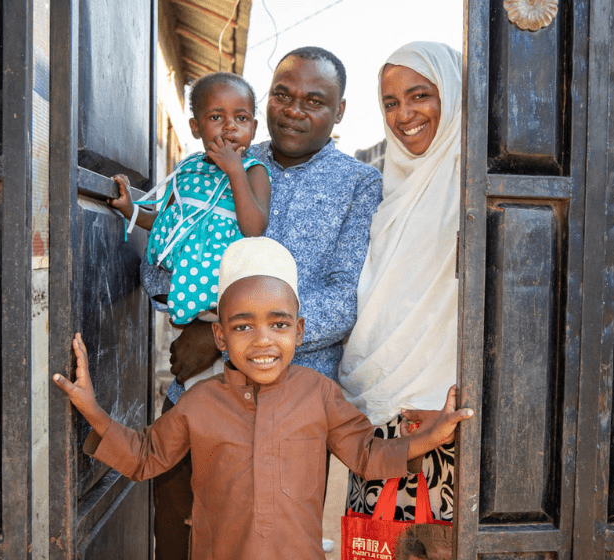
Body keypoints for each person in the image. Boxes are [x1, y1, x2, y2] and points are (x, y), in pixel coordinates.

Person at [52, 237, 473, 560]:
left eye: (278, 324)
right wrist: (91, 408)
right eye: (242, 327)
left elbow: (366, 453)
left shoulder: (320, 394)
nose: (263, 341)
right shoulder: (199, 402)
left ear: (300, 330)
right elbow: (146, 456)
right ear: (220, 335)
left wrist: (431, 437)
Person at [148, 47, 383, 558]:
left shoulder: (359, 184)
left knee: (269, 542)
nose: (295, 109)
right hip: (200, 398)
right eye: (282, 94)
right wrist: (188, 317)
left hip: (296, 407)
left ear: (340, 111)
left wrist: (231, 340)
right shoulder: (216, 160)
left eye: (315, 100)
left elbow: (345, 297)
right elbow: (162, 255)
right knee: (180, 533)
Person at [339, 42, 463, 525]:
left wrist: (446, 394)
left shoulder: (476, 186)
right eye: (390, 103)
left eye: (420, 96)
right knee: (373, 540)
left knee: (432, 543)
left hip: (443, 414)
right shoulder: (378, 187)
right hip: (374, 415)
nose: (404, 114)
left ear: (451, 95)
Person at [110, 72, 270, 325]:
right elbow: (167, 222)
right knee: (193, 360)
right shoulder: (188, 169)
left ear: (254, 127)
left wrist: (235, 171)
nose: (230, 126)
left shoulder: (253, 171)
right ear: (196, 128)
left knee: (232, 356)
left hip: (229, 295)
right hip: (180, 288)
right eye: (217, 117)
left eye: (241, 118)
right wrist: (131, 210)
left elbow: (254, 229)